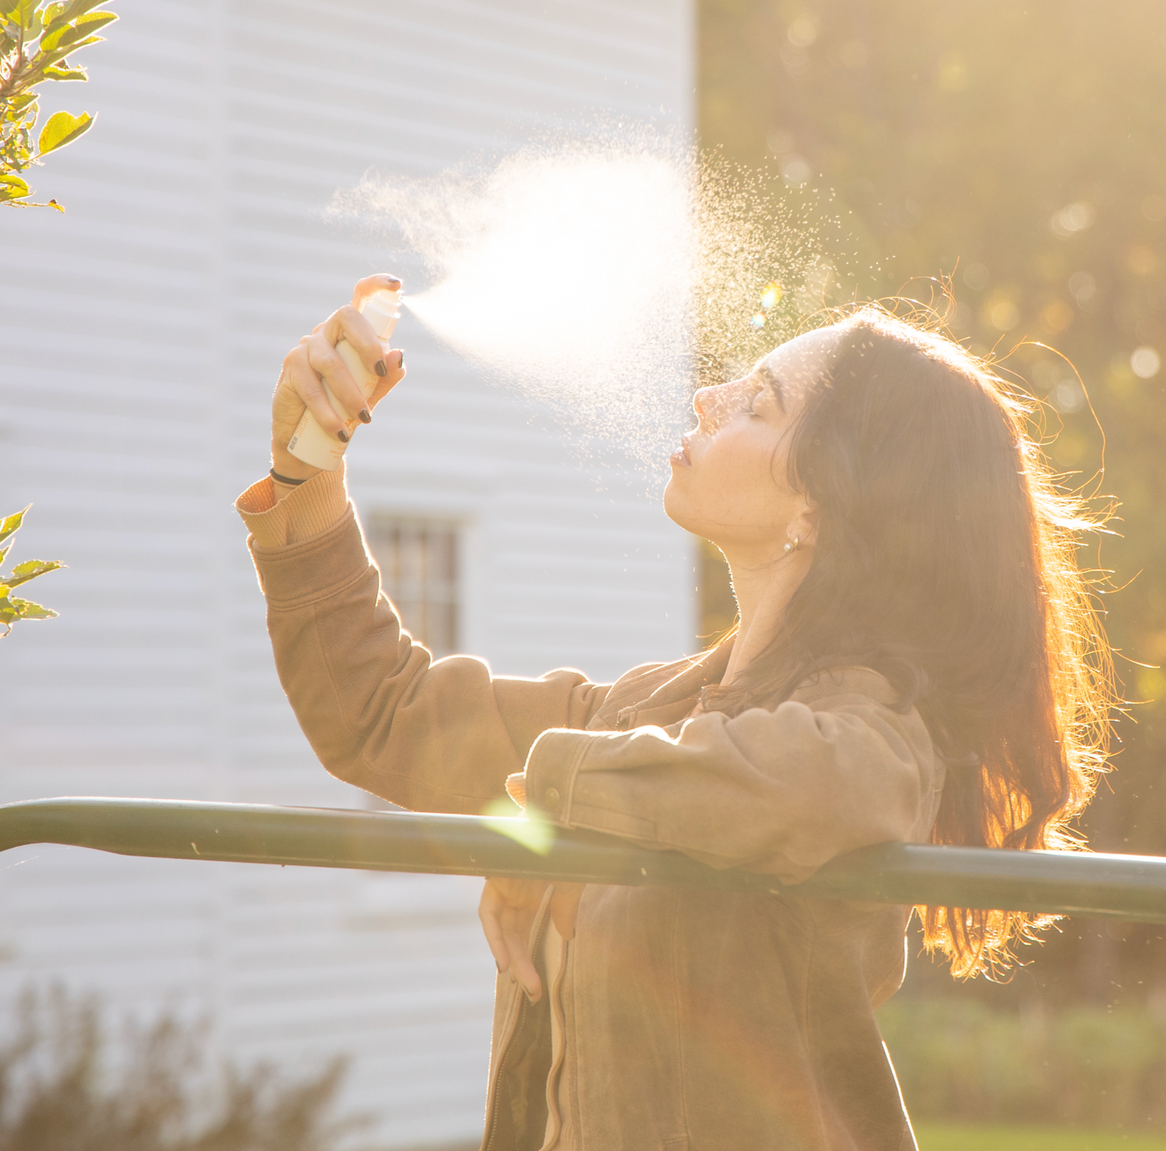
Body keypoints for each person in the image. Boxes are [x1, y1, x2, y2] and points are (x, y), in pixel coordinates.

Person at [235, 274, 1113, 1151]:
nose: (707, 397)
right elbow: (385, 714)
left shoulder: (869, 726)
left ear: (819, 503)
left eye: (757, 404)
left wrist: (552, 800)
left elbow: (817, 790)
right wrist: (305, 471)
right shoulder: (640, 712)